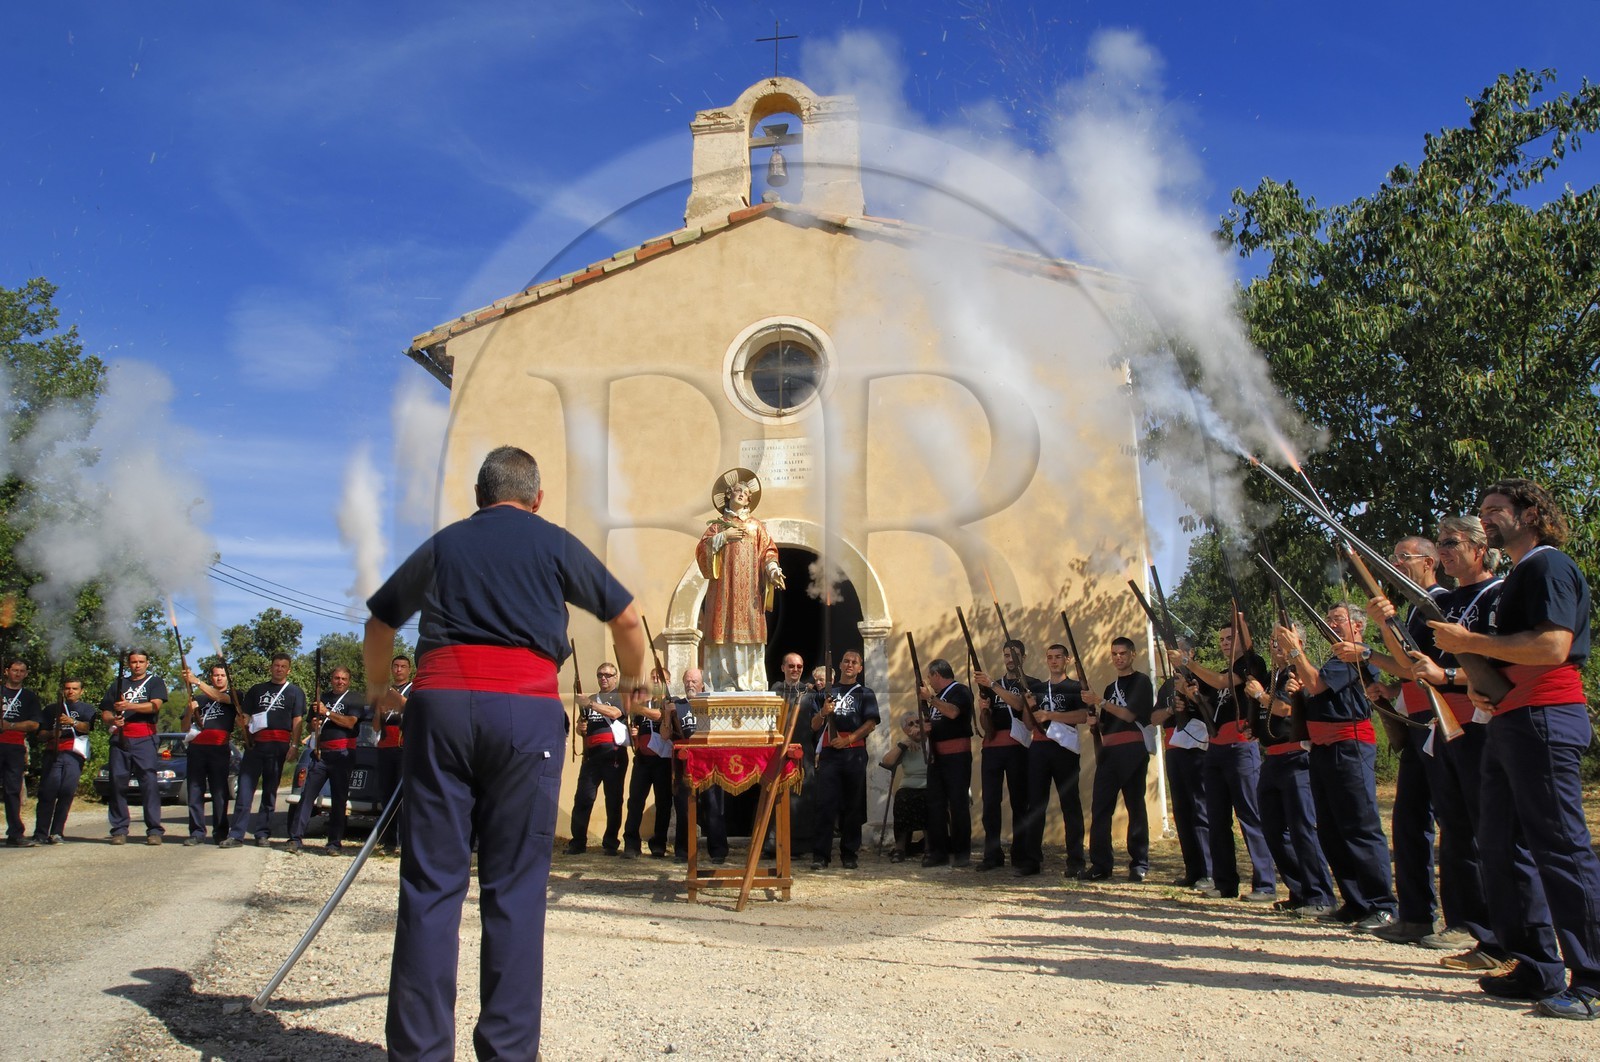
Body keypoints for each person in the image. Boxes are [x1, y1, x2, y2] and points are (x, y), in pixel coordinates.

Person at [363, 444, 645, 1060]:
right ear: (537, 497)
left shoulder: (444, 543)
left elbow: (380, 622)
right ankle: (509, 1051)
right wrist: (633, 684)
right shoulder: (553, 541)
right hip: (523, 713)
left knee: (431, 884)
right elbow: (627, 617)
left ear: (478, 497)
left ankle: (417, 1052)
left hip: (438, 709)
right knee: (514, 888)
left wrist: (380, 690)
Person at [1428, 479, 1600, 1019]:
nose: (1488, 519)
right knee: (1503, 846)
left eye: (1497, 510)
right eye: (1483, 511)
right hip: (1510, 718)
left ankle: (1592, 977)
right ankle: (1536, 964)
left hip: (1545, 716)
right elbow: (1511, 652)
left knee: (1561, 848)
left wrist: (1469, 643)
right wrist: (1478, 675)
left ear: (1531, 515)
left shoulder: (1548, 566)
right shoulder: (1521, 574)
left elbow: (1552, 646)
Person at [1385, 516, 1507, 970]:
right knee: (1447, 824)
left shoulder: (1483, 595)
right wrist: (1384, 629)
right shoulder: (1441, 603)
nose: (1396, 564)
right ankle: (1444, 917)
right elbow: (1409, 664)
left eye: (1404, 558)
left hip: (1475, 719)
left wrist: (1449, 675)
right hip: (1438, 722)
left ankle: (1488, 928)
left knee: (1481, 826)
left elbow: (1485, 662)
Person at [1275, 604, 1398, 931]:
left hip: (1350, 746)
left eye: (1338, 619)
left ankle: (1382, 903)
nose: (1330, 624)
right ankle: (1356, 900)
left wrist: (1296, 653)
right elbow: (1314, 693)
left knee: (1360, 826)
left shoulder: (1353, 657)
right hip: (1323, 748)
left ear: (1358, 627)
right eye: (1328, 619)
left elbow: (1316, 685)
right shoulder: (1335, 660)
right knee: (1330, 829)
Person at [1176, 622, 1275, 901]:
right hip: (1215, 748)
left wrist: (1188, 663)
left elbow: (1222, 683)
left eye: (1231, 637)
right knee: (1217, 818)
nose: (1225, 642)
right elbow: (1208, 701)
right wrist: (1189, 694)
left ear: (1245, 639)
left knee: (1250, 816)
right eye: (1221, 638)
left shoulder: (1251, 663)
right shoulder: (1220, 673)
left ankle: (1265, 884)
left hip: (1241, 748)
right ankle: (1224, 883)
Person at [1241, 624, 1336, 917]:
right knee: (1272, 828)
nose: (1276, 648)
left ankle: (1319, 894)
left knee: (1302, 828)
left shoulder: (1298, 674)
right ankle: (1299, 890)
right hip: (1272, 758)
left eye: (1281, 642)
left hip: (1296, 757)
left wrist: (1260, 697)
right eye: (1273, 642)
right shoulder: (1273, 676)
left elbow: (1286, 709)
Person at [694, 469, 784, 691]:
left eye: (745, 492)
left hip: (749, 594)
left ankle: (750, 681)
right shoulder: (717, 526)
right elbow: (701, 551)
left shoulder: (756, 527)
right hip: (723, 593)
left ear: (749, 500)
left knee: (750, 632)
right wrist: (723, 537)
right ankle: (725, 682)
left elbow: (768, 552)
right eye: (737, 490)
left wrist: (773, 569)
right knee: (723, 633)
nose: (742, 494)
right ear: (728, 495)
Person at [1081, 637, 1155, 882]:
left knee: (1135, 806)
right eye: (1114, 654)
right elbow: (1107, 724)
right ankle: (1101, 863)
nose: (1118, 658)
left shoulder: (1141, 681)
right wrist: (1094, 723)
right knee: (1101, 807)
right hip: (1110, 753)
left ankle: (1139, 863)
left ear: (1132, 654)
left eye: (1122, 653)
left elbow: (1129, 713)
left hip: (1133, 749)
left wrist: (1100, 702)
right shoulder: (1110, 688)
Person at [1016, 643, 1090, 879]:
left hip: (1064, 748)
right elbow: (1029, 724)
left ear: (1066, 660)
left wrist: (1051, 715)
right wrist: (1028, 707)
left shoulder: (1075, 687)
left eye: (1058, 657)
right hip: (1039, 748)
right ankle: (1032, 860)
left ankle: (1076, 860)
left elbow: (1082, 716)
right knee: (1035, 804)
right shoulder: (1037, 687)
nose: (1054, 661)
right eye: (1050, 657)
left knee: (1070, 804)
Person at [219, 652, 306, 849]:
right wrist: (242, 721)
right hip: (256, 745)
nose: (279, 669)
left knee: (269, 792)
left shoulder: (295, 692)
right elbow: (246, 716)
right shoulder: (257, 690)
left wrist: (294, 745)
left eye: (283, 666)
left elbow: (297, 720)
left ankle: (262, 833)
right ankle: (237, 834)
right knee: (245, 789)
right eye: (276, 665)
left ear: (288, 670)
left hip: (279, 745)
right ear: (271, 667)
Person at [289, 667, 371, 855]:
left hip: (343, 754)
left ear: (348, 681)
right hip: (321, 754)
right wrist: (314, 723)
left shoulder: (354, 699)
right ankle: (295, 838)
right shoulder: (321, 698)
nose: (339, 681)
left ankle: (334, 843)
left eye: (343, 678)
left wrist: (326, 713)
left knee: (339, 800)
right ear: (331, 679)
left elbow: (350, 722)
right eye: (336, 678)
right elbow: (310, 724)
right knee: (307, 796)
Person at [810, 650, 879, 870]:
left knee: (853, 805)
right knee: (825, 804)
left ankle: (850, 853)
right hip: (830, 755)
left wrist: (848, 739)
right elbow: (813, 725)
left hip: (854, 754)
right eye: (846, 661)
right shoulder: (826, 693)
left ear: (860, 668)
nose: (850, 665)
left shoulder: (865, 693)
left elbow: (870, 724)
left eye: (855, 662)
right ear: (839, 665)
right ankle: (821, 855)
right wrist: (823, 712)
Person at [972, 639, 1034, 872]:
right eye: (1006, 654)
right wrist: (983, 709)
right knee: (990, 803)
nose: (1010, 659)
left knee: (1020, 801)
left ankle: (1020, 852)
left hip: (1018, 747)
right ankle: (992, 853)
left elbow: (1019, 705)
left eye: (1014, 655)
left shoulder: (1029, 683)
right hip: (992, 748)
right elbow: (986, 724)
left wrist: (993, 686)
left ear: (1023, 657)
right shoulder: (993, 685)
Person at [100, 650, 168, 846]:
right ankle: (119, 829)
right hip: (120, 738)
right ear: (129, 664)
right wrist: (113, 719)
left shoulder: (155, 682)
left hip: (144, 738)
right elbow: (105, 712)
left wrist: (129, 706)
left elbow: (155, 706)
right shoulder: (118, 684)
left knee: (149, 784)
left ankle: (154, 829)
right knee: (117, 783)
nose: (137, 665)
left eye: (141, 661)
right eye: (133, 662)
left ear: (147, 663)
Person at [1152, 668, 1211, 890]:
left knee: (1200, 809)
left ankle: (1209, 871)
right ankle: (1193, 870)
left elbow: (1211, 712)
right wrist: (1170, 709)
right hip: (1175, 749)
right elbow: (1153, 717)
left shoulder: (1203, 679)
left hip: (1197, 749)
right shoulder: (1167, 685)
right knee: (1182, 811)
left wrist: (1190, 696)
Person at [565, 662, 628, 855]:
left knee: (613, 800)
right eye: (600, 674)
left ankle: (610, 843)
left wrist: (590, 704)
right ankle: (577, 842)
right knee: (583, 798)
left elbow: (615, 713)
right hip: (592, 756)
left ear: (615, 678)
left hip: (613, 753)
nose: (604, 678)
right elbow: (580, 726)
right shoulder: (591, 698)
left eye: (608, 675)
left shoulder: (620, 696)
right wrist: (580, 729)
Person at [917, 658, 974, 868]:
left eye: (930, 677)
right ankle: (938, 851)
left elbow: (953, 712)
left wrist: (930, 698)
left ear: (936, 675)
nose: (930, 683)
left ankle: (961, 852)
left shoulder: (960, 691)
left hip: (956, 754)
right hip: (937, 756)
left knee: (958, 804)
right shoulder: (937, 697)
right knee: (935, 805)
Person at [670, 668, 727, 864]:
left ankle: (718, 851)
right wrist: (666, 714)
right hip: (684, 763)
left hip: (709, 762)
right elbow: (664, 734)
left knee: (713, 806)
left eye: (694, 681)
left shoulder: (710, 704)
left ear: (702, 684)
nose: (690, 684)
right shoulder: (676, 705)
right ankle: (683, 851)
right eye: (687, 681)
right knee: (684, 808)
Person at [181, 664, 238, 846]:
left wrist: (196, 681)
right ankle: (197, 832)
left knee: (219, 792)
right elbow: (184, 728)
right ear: (211, 677)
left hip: (219, 748)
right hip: (197, 749)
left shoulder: (235, 696)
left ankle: (220, 832)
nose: (219, 678)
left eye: (222, 675)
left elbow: (219, 697)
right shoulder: (199, 698)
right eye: (216, 675)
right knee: (195, 791)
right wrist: (191, 710)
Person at [33, 677, 94, 844]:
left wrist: (72, 722)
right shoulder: (51, 709)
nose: (71, 691)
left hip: (73, 754)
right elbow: (40, 735)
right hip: (53, 753)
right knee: (47, 792)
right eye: (67, 688)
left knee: (66, 792)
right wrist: (53, 733)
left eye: (75, 688)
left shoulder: (86, 709)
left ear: (81, 691)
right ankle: (40, 833)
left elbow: (87, 727)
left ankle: (57, 832)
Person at [623, 666, 674, 859]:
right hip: (643, 760)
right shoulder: (643, 703)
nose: (654, 681)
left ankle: (659, 844)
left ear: (666, 683)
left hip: (662, 761)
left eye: (658, 678)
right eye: (652, 677)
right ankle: (631, 843)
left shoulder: (669, 703)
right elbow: (636, 727)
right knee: (635, 801)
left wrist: (639, 708)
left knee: (663, 803)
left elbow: (660, 717)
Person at [1, 660, 42, 847]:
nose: (17, 674)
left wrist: (10, 725)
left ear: (26, 674)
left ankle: (15, 833)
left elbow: (34, 725)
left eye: (22, 671)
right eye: (14, 670)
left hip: (14, 746)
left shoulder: (29, 697)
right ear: (6, 671)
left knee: (12, 790)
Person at [375, 654, 412, 857]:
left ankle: (402, 841)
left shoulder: (413, 689)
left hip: (403, 746)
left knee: (402, 798)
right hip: (384, 746)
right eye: (395, 666)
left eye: (403, 667)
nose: (398, 670)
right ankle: (388, 841)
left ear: (409, 670)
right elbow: (375, 722)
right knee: (386, 794)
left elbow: (412, 708)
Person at [881, 712, 929, 862]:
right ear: (905, 730)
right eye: (911, 724)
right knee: (902, 799)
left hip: (930, 785)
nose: (915, 726)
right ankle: (900, 848)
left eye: (917, 722)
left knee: (928, 799)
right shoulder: (905, 744)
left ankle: (929, 848)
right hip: (908, 786)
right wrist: (905, 743)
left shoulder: (931, 742)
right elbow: (887, 762)